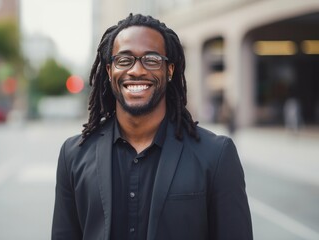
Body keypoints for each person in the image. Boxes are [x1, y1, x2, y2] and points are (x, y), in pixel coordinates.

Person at [52, 13, 252, 240]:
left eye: (151, 59)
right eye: (124, 60)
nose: (136, 70)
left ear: (169, 70)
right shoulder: (73, 155)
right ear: (109, 71)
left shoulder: (216, 155)